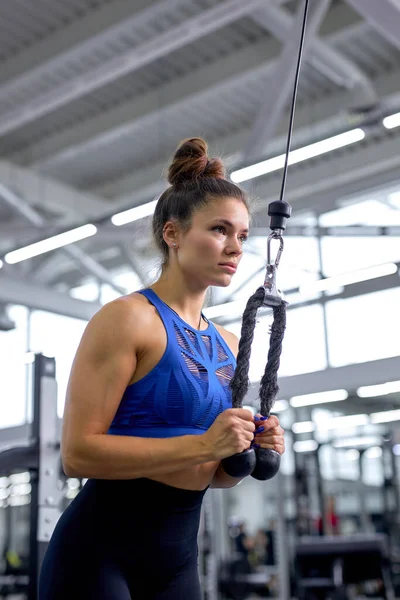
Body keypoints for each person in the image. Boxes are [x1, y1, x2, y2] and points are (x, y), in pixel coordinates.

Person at [38, 137, 285, 599]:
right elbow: (76, 456)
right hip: (98, 554)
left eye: (243, 236)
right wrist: (201, 444)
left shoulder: (230, 344)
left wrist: (243, 449)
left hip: (176, 560)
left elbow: (214, 473)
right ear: (172, 234)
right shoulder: (128, 319)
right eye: (219, 230)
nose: (235, 248)